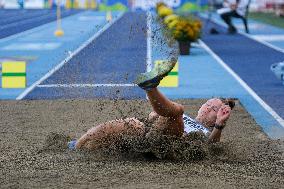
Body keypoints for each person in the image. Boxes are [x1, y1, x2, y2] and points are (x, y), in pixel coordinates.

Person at [68, 60, 235, 150]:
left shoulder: (206, 132)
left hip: (171, 144)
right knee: (132, 123)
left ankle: (150, 87)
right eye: (207, 103)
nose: (206, 108)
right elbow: (154, 116)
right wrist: (154, 116)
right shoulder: (187, 118)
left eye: (213, 109)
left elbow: (212, 147)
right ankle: (78, 144)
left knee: (178, 111)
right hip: (149, 131)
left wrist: (219, 126)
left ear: (216, 118)